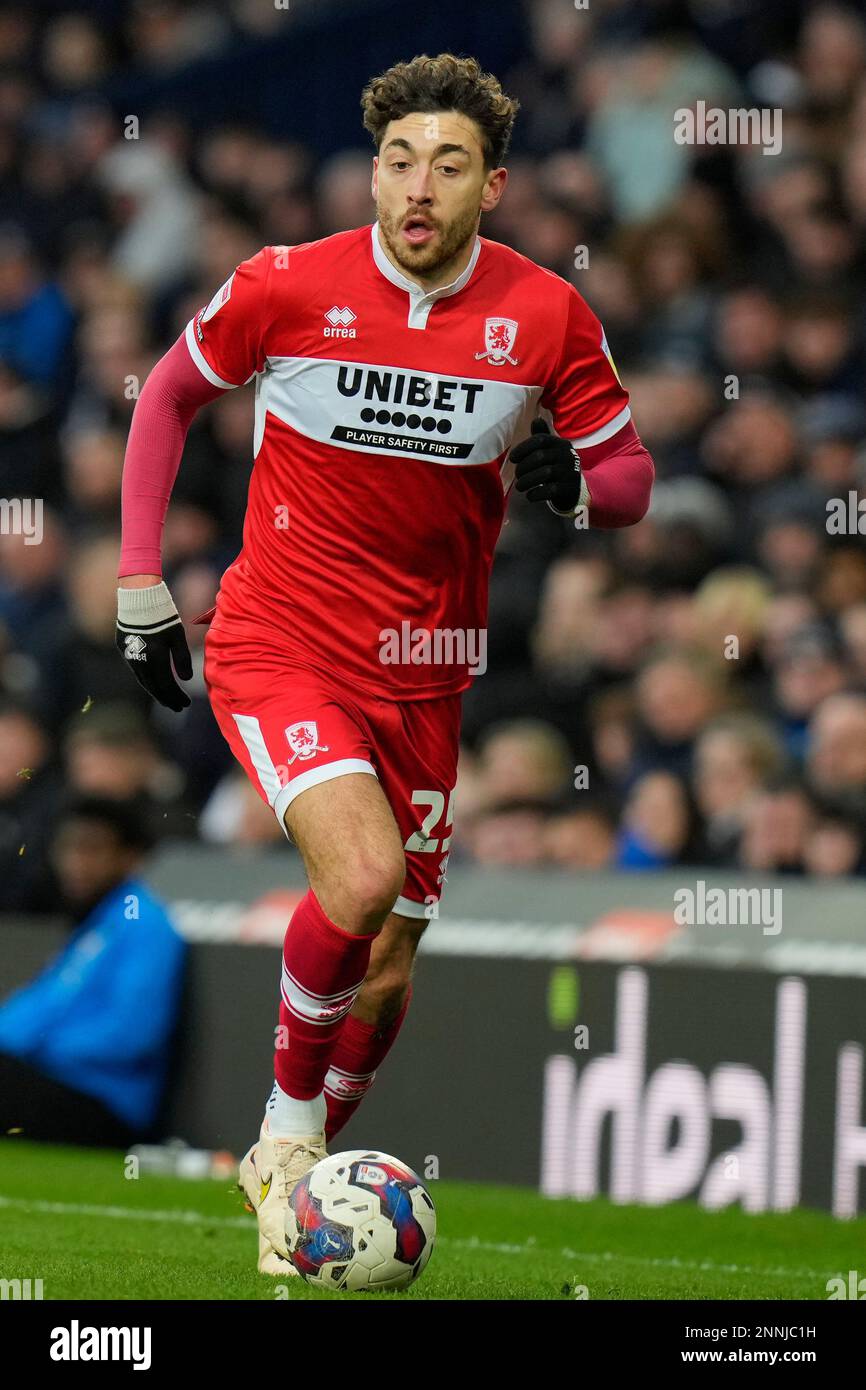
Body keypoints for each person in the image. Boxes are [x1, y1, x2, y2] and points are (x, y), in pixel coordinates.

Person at [114, 53, 654, 1275]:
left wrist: (579, 489)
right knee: (358, 882)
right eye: (399, 160)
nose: (418, 187)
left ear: (492, 185)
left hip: (429, 671)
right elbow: (163, 397)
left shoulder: (545, 316)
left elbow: (629, 475)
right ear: (372, 170)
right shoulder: (286, 286)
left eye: (448, 165)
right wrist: (141, 577)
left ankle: (300, 1203)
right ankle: (285, 1139)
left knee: (390, 958)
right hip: (282, 641)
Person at [0, 796, 185, 1147]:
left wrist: (36, 1051)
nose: (75, 864)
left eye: (91, 850)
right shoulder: (96, 922)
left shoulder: (145, 923)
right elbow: (37, 1006)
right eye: (68, 848)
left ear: (129, 858)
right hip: (52, 1084)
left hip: (104, 1104)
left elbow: (134, 1033)